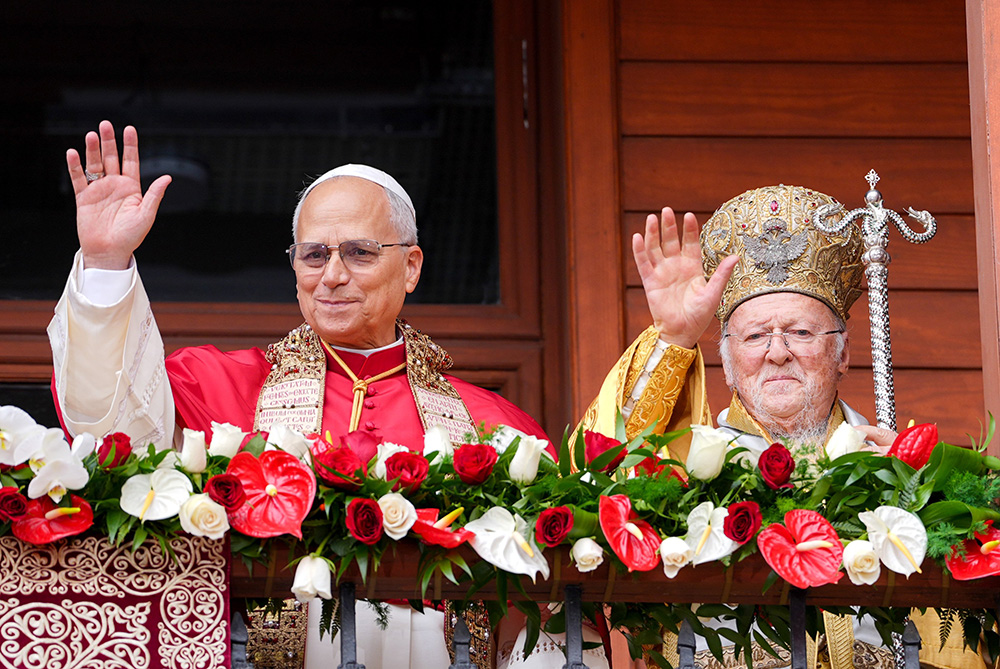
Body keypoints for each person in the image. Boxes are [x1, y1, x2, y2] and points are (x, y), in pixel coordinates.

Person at [48, 121, 609, 669]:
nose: (332, 275)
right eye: (314, 255)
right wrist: (105, 263)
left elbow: (555, 610)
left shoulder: (496, 427)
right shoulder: (215, 386)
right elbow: (114, 433)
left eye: (359, 253)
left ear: (411, 267)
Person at [580, 185, 981, 669]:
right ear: (726, 364)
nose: (777, 352)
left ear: (843, 354)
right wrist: (676, 337)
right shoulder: (690, 462)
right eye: (754, 336)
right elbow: (606, 475)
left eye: (801, 332)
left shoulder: (893, 462)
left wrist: (921, 486)